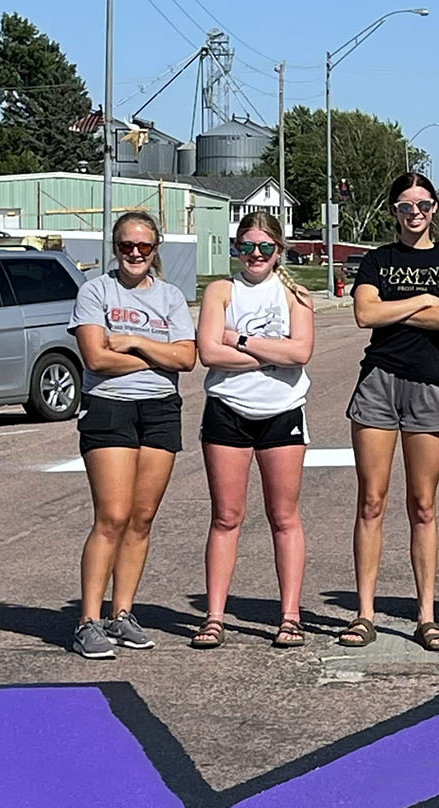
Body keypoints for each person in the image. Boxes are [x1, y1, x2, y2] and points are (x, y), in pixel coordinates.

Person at [346, 173, 439, 652]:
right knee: (372, 502)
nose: (414, 212)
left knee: (423, 506)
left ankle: (426, 616)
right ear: (394, 212)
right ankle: (364, 614)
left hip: (427, 386)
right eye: (404, 205)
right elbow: (364, 315)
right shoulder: (379, 259)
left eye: (422, 203)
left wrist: (393, 306)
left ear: (435, 208)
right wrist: (423, 298)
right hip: (378, 384)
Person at [68, 211, 198, 660]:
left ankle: (121, 614)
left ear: (156, 248)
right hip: (110, 408)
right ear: (115, 248)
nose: (136, 253)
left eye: (144, 246)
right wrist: (159, 357)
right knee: (113, 516)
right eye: (127, 246)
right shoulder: (95, 292)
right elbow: (97, 359)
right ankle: (88, 620)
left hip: (160, 410)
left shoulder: (171, 297)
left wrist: (137, 343)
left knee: (142, 518)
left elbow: (188, 359)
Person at [193, 212, 317, 650]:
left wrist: (240, 342)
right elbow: (208, 352)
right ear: (236, 249)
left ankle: (289, 616)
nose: (256, 256)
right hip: (227, 410)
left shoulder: (295, 295)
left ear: (279, 250)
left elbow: (301, 352)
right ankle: (213, 617)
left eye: (265, 247)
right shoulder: (221, 292)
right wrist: (272, 355)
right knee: (226, 517)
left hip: (282, 412)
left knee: (284, 516)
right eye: (247, 247)